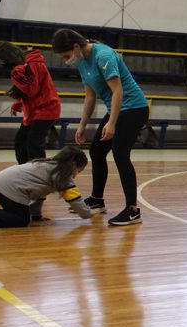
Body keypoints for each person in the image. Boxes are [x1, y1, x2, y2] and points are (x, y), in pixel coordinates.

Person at [51, 29, 149, 227]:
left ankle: (132, 210)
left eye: (66, 56)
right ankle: (97, 200)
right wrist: (82, 125)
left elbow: (117, 91)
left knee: (120, 154)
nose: (66, 61)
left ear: (76, 47)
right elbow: (90, 96)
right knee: (97, 151)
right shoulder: (82, 61)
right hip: (117, 109)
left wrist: (111, 123)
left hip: (133, 108)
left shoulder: (103, 55)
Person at [0, 145, 102, 228]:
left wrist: (36, 215)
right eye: (78, 171)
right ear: (73, 165)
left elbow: (39, 194)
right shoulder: (62, 176)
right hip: (9, 187)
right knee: (21, 220)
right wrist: (88, 213)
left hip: (4, 183)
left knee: (19, 215)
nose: (76, 175)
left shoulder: (50, 166)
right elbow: (75, 201)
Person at [0, 41, 61, 165]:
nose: (1, 64)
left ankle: (39, 171)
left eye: (1, 61)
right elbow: (26, 91)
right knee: (21, 141)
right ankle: (24, 169)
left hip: (46, 108)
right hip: (34, 110)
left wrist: (16, 74)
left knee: (34, 143)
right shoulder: (24, 65)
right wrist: (18, 104)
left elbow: (31, 89)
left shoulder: (32, 64)